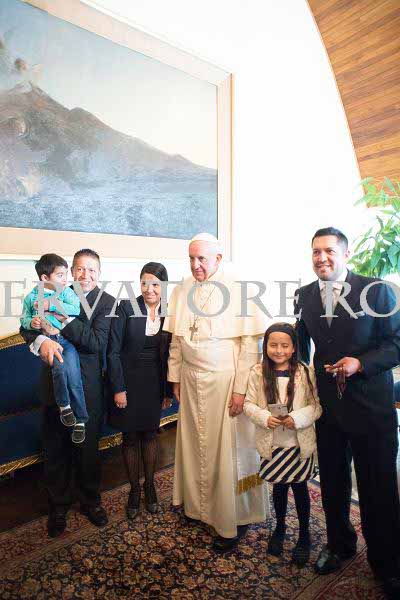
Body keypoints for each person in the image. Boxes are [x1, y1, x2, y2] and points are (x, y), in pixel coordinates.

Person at [295, 227, 400, 599]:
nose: (321, 258)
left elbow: (396, 343)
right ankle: (340, 544)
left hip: (372, 410)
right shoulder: (304, 296)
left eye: (329, 251)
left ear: (346, 253)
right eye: (316, 252)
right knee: (333, 483)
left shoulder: (378, 291)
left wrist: (361, 363)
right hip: (329, 410)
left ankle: (388, 563)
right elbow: (300, 346)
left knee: (378, 489)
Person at [164, 232, 269, 553]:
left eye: (202, 259)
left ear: (218, 259)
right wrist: (174, 377)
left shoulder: (238, 288)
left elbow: (250, 346)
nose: (195, 265)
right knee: (195, 446)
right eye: (191, 258)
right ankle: (197, 507)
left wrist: (241, 390)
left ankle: (234, 518)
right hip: (191, 380)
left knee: (232, 452)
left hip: (226, 382)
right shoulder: (183, 289)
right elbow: (177, 340)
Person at [20, 249, 115, 538]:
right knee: (56, 449)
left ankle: (90, 501)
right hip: (54, 385)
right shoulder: (53, 289)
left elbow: (96, 342)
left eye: (91, 270)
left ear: (99, 273)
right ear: (71, 272)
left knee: (87, 451)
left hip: (88, 389)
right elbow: (26, 327)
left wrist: (65, 320)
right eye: (79, 269)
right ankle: (58, 506)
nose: (85, 275)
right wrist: (41, 341)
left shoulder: (107, 302)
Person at [243, 322, 321, 567]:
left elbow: (316, 406)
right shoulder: (257, 372)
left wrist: (296, 418)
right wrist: (264, 417)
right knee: (279, 488)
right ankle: (279, 527)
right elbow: (248, 404)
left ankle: (304, 534)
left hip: (298, 444)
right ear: (265, 346)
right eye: (273, 345)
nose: (279, 350)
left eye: (285, 345)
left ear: (294, 347)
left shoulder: (305, 372)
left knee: (299, 489)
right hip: (273, 443)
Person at [107, 262, 172, 519]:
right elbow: (113, 352)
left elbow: (171, 355)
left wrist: (167, 391)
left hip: (154, 382)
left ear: (163, 286)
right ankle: (134, 489)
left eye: (155, 284)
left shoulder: (170, 310)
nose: (149, 289)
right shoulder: (126, 307)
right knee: (131, 437)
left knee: (150, 435)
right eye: (144, 283)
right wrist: (118, 388)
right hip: (128, 382)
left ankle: (150, 486)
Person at [20, 253, 88, 443]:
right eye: (60, 275)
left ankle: (81, 420)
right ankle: (64, 406)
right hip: (48, 340)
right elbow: (24, 320)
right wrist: (31, 322)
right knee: (58, 369)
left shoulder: (65, 292)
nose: (65, 279)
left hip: (65, 340)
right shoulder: (31, 297)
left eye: (65, 274)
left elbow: (75, 309)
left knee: (74, 377)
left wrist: (52, 304)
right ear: (44, 278)